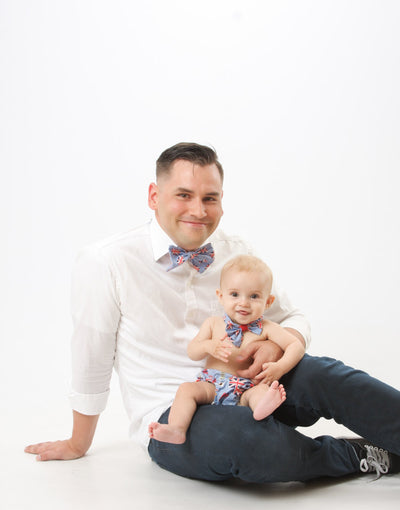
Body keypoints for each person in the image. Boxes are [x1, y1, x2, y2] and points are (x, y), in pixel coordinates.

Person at [25, 142, 400, 482]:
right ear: (154, 196)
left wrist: (273, 348)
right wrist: (78, 442)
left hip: (251, 386)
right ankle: (357, 454)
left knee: (326, 375)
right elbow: (91, 358)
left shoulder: (234, 250)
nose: (198, 211)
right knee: (249, 443)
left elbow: (291, 317)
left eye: (210, 198)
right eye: (184, 195)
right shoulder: (106, 262)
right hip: (176, 413)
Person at [149, 255, 304, 444]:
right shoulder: (214, 324)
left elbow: (296, 346)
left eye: (254, 296)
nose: (244, 303)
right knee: (186, 389)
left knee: (262, 391)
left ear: (269, 301)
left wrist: (280, 367)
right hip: (212, 385)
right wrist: (208, 346)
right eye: (234, 294)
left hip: (246, 388)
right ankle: (176, 429)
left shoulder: (267, 328)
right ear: (221, 297)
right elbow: (192, 351)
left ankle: (262, 408)